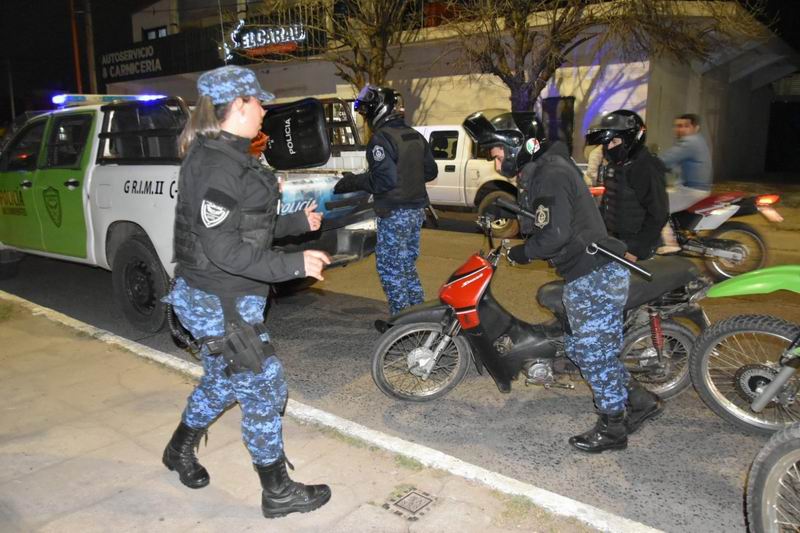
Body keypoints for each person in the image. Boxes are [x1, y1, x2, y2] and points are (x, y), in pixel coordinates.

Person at [161, 65, 332, 518]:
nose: (263, 109)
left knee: (222, 382)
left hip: (229, 294)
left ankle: (177, 450)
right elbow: (223, 250)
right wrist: (293, 264)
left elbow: (246, 224)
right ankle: (277, 492)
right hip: (219, 300)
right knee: (264, 385)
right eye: (258, 102)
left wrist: (297, 225)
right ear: (238, 106)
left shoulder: (231, 153)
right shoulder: (216, 163)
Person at [462, 109, 662, 453]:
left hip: (594, 274)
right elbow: (547, 217)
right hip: (589, 270)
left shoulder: (550, 173)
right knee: (584, 347)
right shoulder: (545, 170)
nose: (496, 163)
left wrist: (522, 253)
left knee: (592, 353)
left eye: (496, 153)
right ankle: (641, 401)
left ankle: (613, 428)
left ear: (517, 145)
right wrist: (509, 210)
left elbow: (554, 235)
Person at [332, 86, 438, 315]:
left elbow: (383, 181)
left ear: (378, 109)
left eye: (367, 112)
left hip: (395, 212)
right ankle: (419, 315)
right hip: (416, 211)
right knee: (407, 265)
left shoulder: (381, 139)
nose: (366, 117)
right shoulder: (414, 135)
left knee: (391, 268)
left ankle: (401, 321)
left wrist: (352, 182)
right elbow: (430, 171)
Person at [585, 110, 669, 262]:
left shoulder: (645, 167)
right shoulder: (617, 165)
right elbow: (610, 202)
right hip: (617, 242)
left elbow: (658, 214)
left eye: (614, 142)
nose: (608, 147)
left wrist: (635, 249)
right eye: (606, 143)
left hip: (636, 248)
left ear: (629, 140)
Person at [657, 113, 713, 252]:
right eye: (678, 126)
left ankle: (670, 244)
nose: (680, 129)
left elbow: (666, 159)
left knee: (657, 206)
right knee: (665, 194)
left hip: (692, 190)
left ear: (696, 127)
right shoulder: (697, 141)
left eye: (685, 126)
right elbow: (672, 164)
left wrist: (649, 164)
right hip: (692, 187)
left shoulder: (690, 142)